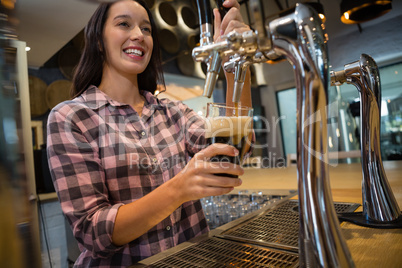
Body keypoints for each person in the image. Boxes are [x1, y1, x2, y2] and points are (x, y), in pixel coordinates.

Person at [47, 0, 252, 266]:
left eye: (146, 29)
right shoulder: (72, 117)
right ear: (98, 41)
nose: (138, 35)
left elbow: (235, 151)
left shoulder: (172, 111)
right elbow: (92, 231)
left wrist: (236, 64)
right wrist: (178, 189)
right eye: (124, 24)